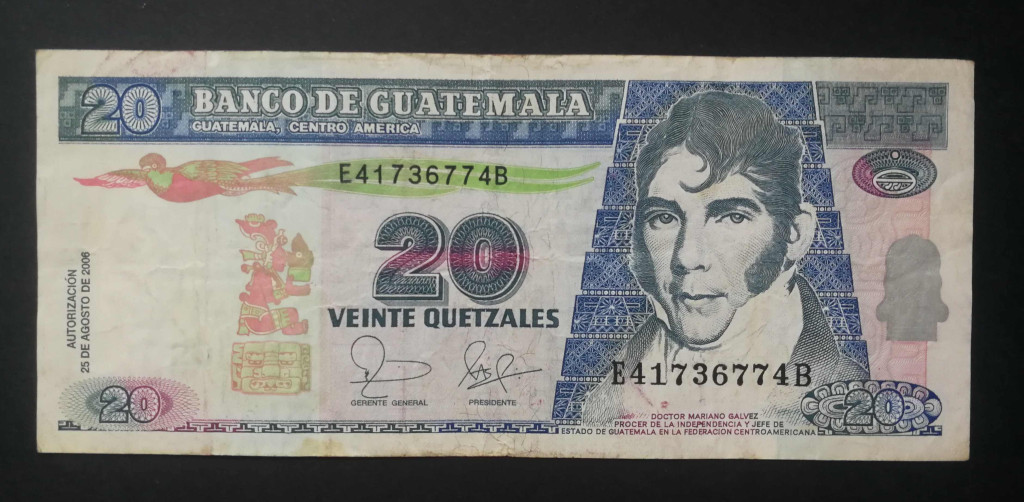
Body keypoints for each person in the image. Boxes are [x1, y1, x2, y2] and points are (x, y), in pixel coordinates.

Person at [582, 91, 867, 425]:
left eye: (732, 217)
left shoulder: (854, 402)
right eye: (664, 217)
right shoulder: (603, 400)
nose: (687, 256)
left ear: (794, 234)